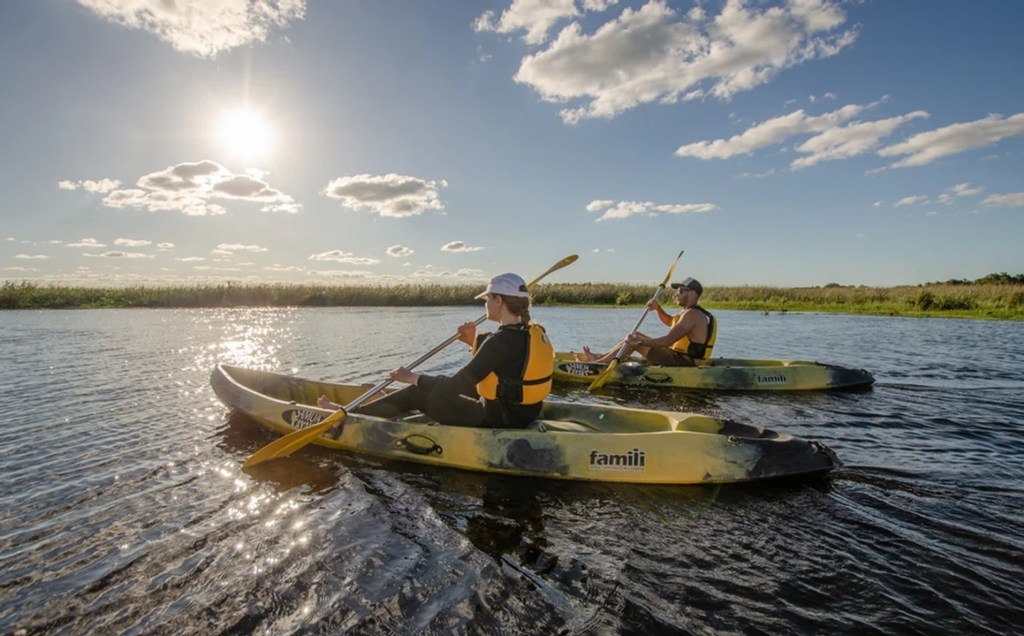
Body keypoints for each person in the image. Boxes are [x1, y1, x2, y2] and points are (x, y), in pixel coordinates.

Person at [318, 273, 554, 428]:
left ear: (499, 301)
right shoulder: (532, 332)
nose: (485, 304)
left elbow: (454, 387)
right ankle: (387, 404)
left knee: (415, 392)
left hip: (498, 418)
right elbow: (508, 364)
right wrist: (472, 341)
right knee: (455, 387)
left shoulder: (499, 341)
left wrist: (413, 378)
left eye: (487, 299)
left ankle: (349, 416)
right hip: (525, 413)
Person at [580, 277, 716, 367]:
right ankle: (601, 358)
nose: (676, 294)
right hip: (678, 356)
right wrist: (658, 309)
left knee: (635, 339)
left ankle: (598, 365)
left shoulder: (693, 315)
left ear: (692, 294)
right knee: (635, 335)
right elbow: (670, 322)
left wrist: (639, 343)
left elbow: (667, 341)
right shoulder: (688, 312)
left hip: (684, 363)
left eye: (680, 291)